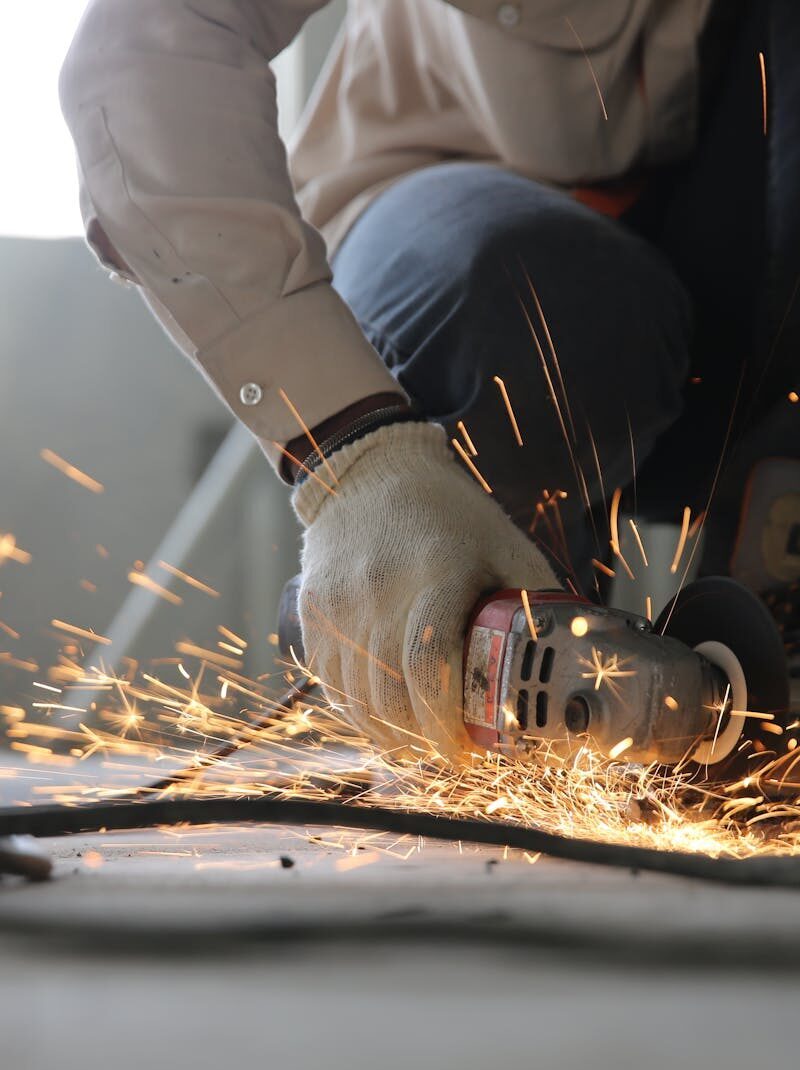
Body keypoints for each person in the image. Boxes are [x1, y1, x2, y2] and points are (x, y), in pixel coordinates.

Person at [60, 0, 798, 758]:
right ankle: (470, 683)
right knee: (528, 302)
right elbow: (148, 42)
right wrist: (355, 456)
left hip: (751, 287)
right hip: (467, 228)